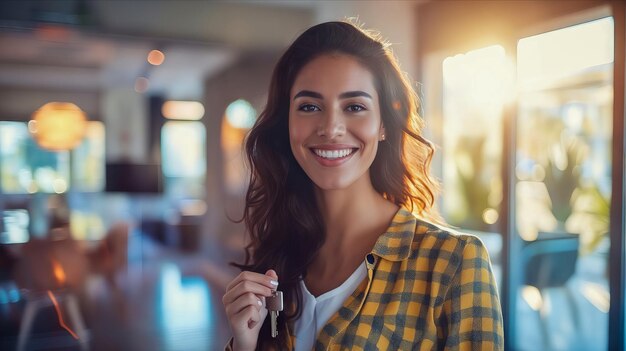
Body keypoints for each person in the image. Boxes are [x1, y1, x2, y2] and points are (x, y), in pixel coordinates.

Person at [221, 21, 504, 351]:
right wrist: (244, 344)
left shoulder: (453, 263)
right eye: (309, 107)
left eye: (354, 107)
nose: (331, 128)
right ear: (287, 123)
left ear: (383, 123)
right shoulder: (279, 252)